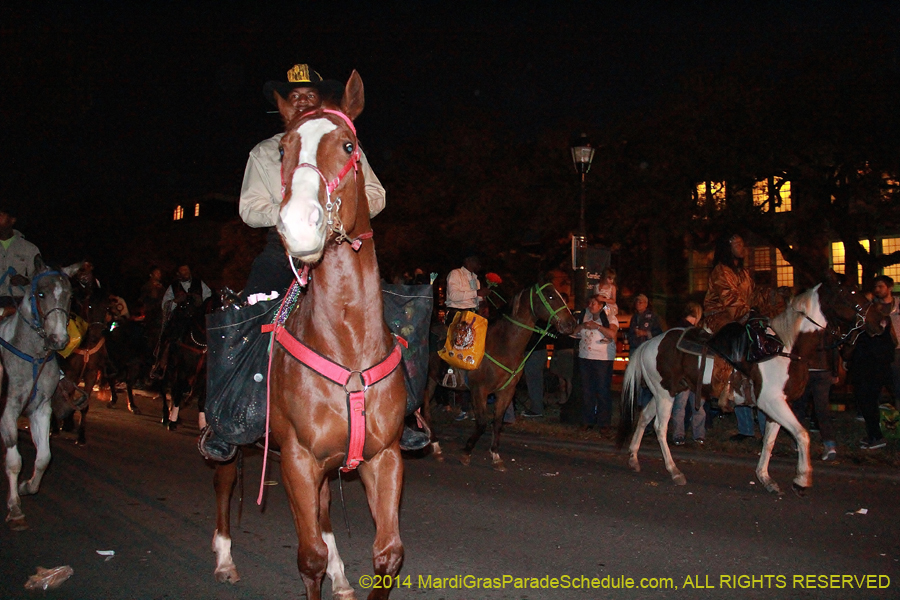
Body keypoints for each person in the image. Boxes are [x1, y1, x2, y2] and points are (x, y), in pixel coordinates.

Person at [239, 63, 386, 300]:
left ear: (320, 101)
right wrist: (293, 214)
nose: (302, 101)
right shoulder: (264, 151)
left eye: (310, 95)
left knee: (394, 310)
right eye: (294, 96)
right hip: (284, 248)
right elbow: (249, 208)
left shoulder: (343, 141)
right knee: (250, 310)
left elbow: (376, 194)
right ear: (286, 107)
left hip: (343, 244)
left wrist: (338, 214)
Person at [702, 233, 769, 441]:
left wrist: (772, 299)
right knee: (734, 341)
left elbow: (754, 295)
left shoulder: (744, 273)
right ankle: (722, 388)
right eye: (737, 244)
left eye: (742, 243)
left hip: (742, 315)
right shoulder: (721, 271)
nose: (742, 247)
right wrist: (747, 315)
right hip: (721, 315)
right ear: (727, 247)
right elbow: (728, 298)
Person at [849, 275, 895, 450]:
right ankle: (874, 434)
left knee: (869, 400)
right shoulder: (867, 320)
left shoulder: (877, 320)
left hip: (874, 365)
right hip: (870, 364)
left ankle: (876, 436)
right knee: (868, 400)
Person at [151, 265, 211, 379]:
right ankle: (161, 366)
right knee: (169, 338)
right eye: (183, 270)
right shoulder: (173, 286)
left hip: (197, 317)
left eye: (187, 270)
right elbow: (165, 305)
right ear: (178, 273)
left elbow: (209, 297)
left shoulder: (199, 283)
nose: (186, 272)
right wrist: (175, 301)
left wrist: (201, 301)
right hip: (180, 318)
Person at [574, 294, 619, 429]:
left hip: (602, 359)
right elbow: (574, 332)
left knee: (602, 390)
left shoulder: (609, 317)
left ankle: (604, 422)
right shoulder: (584, 316)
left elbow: (612, 334)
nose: (591, 306)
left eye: (594, 303)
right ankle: (588, 420)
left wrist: (597, 327)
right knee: (587, 390)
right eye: (590, 303)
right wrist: (583, 325)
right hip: (585, 357)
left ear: (600, 306)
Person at [670, 302, 706, 445]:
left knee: (680, 406)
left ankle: (679, 435)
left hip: (683, 374)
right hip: (694, 373)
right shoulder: (695, 332)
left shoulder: (677, 329)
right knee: (698, 406)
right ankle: (699, 435)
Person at [0, 208, 41, 318]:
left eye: (1, 215)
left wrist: (25, 281)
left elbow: (40, 279)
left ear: (12, 220)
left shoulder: (30, 249)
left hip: (20, 302)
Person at [627, 294, 664, 408]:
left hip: (647, 350)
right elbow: (630, 332)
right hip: (635, 348)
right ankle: (637, 402)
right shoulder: (634, 317)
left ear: (646, 304)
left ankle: (646, 403)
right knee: (635, 377)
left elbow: (659, 333)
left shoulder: (653, 317)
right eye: (637, 302)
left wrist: (646, 333)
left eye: (641, 302)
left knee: (647, 377)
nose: (638, 304)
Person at [871, 275, 900, 409]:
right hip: (877, 349)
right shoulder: (872, 306)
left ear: (890, 288)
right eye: (876, 287)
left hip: (897, 348)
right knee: (876, 380)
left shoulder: (897, 304)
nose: (877, 289)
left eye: (881, 286)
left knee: (897, 381)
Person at [445, 253, 488, 325]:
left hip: (473, 315)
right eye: (476, 260)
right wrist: (476, 293)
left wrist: (483, 303)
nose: (479, 264)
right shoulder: (455, 273)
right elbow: (453, 296)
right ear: (468, 260)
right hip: (457, 315)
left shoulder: (476, 280)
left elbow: (476, 301)